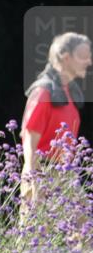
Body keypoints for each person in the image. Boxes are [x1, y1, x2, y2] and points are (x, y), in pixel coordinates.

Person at [21, 32, 91, 201]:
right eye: (83, 56)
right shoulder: (43, 93)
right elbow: (29, 144)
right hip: (43, 174)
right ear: (66, 58)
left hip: (66, 176)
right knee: (36, 228)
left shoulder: (68, 92)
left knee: (86, 227)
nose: (89, 61)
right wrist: (35, 184)